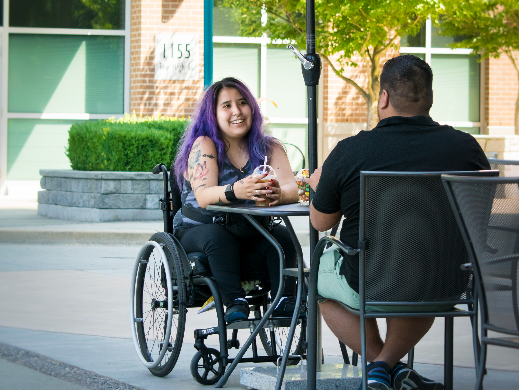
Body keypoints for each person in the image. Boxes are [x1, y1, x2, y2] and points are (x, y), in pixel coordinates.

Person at [307, 55, 490, 390]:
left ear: (384, 98)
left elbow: (320, 222)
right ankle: (389, 368)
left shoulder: (350, 151)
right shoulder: (466, 149)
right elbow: (480, 216)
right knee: (415, 271)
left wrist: (319, 187)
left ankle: (380, 365)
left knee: (318, 286)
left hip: (367, 277)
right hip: (444, 281)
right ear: (430, 99)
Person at [173, 77, 299, 324]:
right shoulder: (205, 144)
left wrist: (278, 194)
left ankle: (286, 300)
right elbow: (203, 195)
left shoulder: (269, 147)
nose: (237, 111)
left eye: (242, 103)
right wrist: (237, 191)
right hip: (199, 233)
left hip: (249, 232)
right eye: (227, 105)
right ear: (213, 114)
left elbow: (291, 187)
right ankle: (234, 301)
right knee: (217, 236)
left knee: (283, 237)